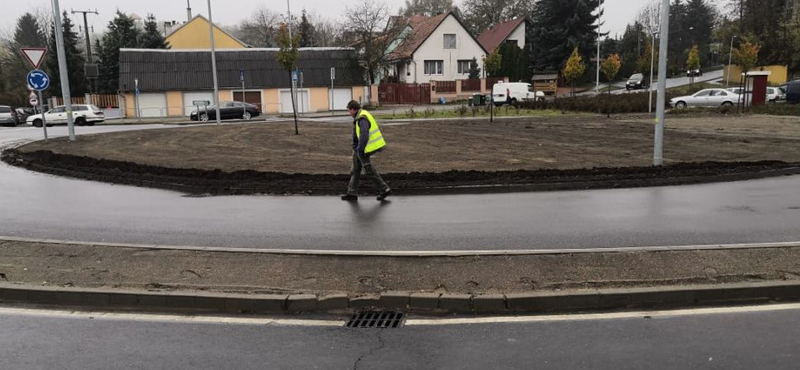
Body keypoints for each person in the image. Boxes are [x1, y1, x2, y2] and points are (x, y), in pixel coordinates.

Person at [341, 100, 392, 201]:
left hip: (363, 148)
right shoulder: (361, 115)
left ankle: (384, 189)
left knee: (369, 170)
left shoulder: (362, 118)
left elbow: (364, 135)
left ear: (352, 109)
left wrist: (360, 149)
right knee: (355, 170)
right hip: (358, 148)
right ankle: (352, 193)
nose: (348, 113)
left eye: (349, 111)